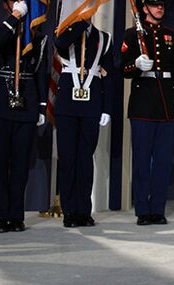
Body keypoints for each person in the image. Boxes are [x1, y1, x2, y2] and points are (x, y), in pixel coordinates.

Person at [0, 0, 47, 233]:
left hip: (26, 101)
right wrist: (15, 17)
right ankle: (0, 215)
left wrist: (41, 106)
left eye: (20, 1)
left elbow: (40, 73)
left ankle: (16, 216)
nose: (17, 4)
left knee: (20, 163)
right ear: (6, 5)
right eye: (12, 2)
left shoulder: (37, 37)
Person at [121, 0, 174, 226]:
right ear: (144, 8)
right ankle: (142, 210)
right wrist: (136, 65)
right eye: (155, 4)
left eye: (162, 4)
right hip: (143, 105)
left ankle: (158, 209)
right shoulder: (132, 34)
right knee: (141, 161)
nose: (160, 8)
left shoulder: (171, 36)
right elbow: (122, 69)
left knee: (162, 161)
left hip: (166, 104)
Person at [53, 19, 113, 228]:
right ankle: (69, 212)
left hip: (92, 103)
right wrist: (79, 23)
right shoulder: (65, 32)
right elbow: (60, 44)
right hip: (67, 104)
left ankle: (83, 211)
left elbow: (109, 76)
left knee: (85, 159)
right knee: (68, 159)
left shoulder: (104, 38)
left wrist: (107, 108)